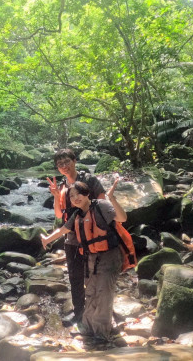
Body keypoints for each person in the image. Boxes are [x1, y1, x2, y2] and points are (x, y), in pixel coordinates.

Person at [42, 176, 131, 348]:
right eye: (72, 196)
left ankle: (101, 334)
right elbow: (63, 230)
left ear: (87, 194)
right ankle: (89, 329)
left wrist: (112, 198)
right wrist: (47, 239)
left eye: (79, 194)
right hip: (91, 257)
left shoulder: (102, 206)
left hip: (109, 257)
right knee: (90, 292)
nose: (76, 198)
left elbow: (122, 218)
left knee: (104, 294)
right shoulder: (77, 214)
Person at [46, 148, 86, 325]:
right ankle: (79, 313)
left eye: (66, 162)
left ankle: (97, 311)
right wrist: (56, 196)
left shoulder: (87, 181)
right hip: (71, 239)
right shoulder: (62, 186)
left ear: (74, 160)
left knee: (93, 277)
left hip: (90, 237)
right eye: (59, 164)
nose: (63, 166)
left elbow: (100, 203)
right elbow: (58, 214)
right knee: (75, 278)